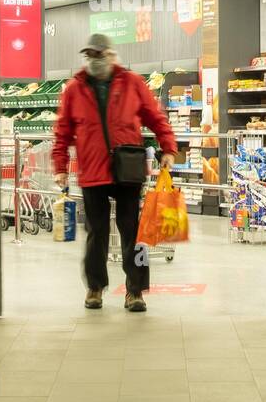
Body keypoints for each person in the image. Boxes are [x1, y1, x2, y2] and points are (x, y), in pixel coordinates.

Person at [52, 34, 178, 313]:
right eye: (90, 56)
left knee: (134, 232)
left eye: (99, 55)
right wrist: (59, 166)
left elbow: (156, 117)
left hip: (128, 168)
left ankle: (136, 292)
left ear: (111, 55)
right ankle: (94, 288)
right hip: (92, 171)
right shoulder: (74, 88)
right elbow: (62, 131)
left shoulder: (132, 83)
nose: (94, 60)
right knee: (96, 232)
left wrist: (168, 147)